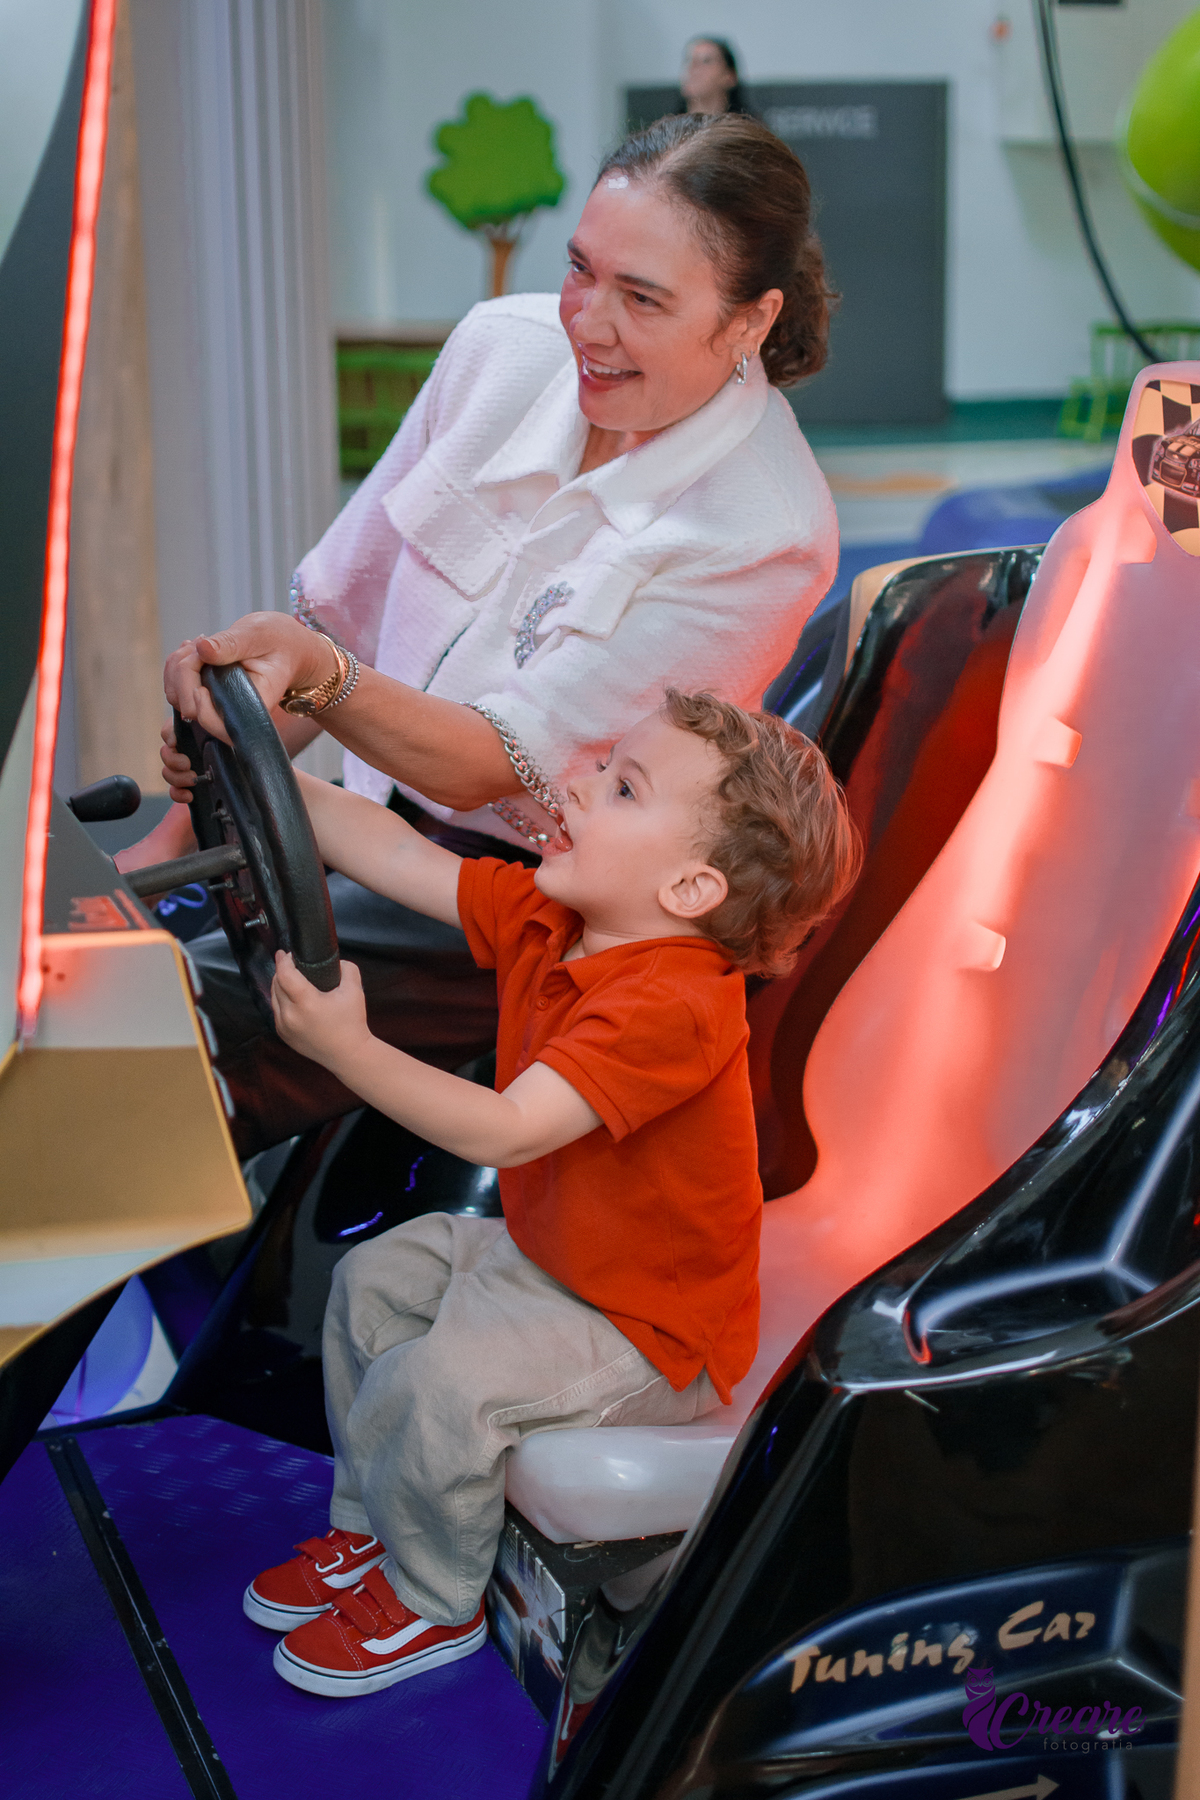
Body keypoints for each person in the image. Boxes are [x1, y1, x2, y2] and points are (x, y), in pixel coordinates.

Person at [130, 112, 839, 1159]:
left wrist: (317, 676)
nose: (588, 324)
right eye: (581, 271)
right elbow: (340, 606)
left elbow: (486, 767)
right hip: (360, 817)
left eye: (641, 299)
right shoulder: (500, 352)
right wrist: (204, 798)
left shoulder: (765, 532)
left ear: (748, 321)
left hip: (516, 898)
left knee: (165, 1041)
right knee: (109, 945)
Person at [240, 690, 860, 1696]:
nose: (575, 786)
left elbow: (504, 1128)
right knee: (371, 1282)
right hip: (551, 1263)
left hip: (648, 1332)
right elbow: (405, 860)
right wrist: (273, 776)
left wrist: (348, 1048)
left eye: (621, 787)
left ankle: (432, 1600)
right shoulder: (555, 917)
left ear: (693, 886)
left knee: (442, 1387)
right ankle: (372, 1532)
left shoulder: (674, 1007)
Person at [679, 36, 749, 117]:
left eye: (706, 61)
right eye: (687, 60)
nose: (692, 67)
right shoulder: (665, 127)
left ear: (730, 76)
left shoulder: (750, 127)